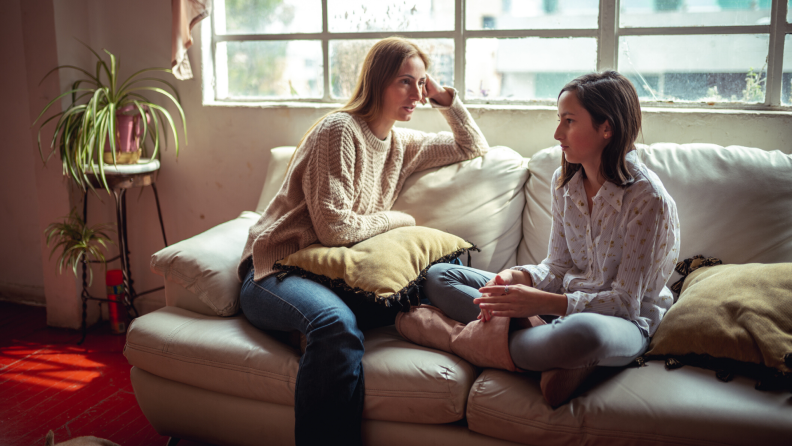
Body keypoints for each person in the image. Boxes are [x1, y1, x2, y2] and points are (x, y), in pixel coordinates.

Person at [237, 37, 489, 445]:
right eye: (405, 82)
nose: (416, 94)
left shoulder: (402, 144)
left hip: (329, 275)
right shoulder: (340, 130)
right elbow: (334, 229)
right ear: (377, 82)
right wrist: (399, 219)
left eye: (421, 83)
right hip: (277, 270)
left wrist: (444, 98)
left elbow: (472, 145)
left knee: (432, 282)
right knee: (335, 325)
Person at [424, 71, 680, 405]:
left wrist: (541, 303)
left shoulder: (648, 200)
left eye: (569, 121)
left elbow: (624, 303)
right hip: (558, 307)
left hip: (623, 323)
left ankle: (471, 339)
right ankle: (541, 349)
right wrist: (518, 277)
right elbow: (558, 267)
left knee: (583, 333)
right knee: (441, 276)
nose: (557, 133)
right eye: (559, 120)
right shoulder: (565, 181)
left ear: (607, 128)